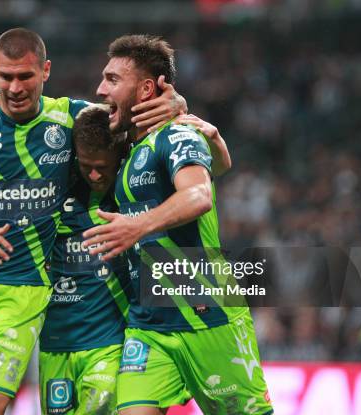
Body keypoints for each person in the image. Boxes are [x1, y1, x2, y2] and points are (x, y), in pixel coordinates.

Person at [0, 28, 186, 415]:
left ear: (45, 72)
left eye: (25, 76)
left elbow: (130, 112)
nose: (15, 87)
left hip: (22, 292)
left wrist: (179, 105)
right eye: (6, 76)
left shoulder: (72, 117)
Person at [0, 105, 232, 414]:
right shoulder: (53, 194)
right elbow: (12, 219)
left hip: (110, 343)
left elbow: (208, 176)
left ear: (119, 158)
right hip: (55, 345)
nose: (95, 174)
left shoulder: (132, 194)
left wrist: (189, 115)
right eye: (87, 165)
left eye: (103, 167)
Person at [83, 35, 274, 415]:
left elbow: (199, 195)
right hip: (149, 326)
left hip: (209, 315)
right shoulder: (129, 148)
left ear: (147, 88)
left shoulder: (178, 134)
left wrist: (136, 226)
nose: (100, 89)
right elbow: (219, 166)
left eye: (112, 80)